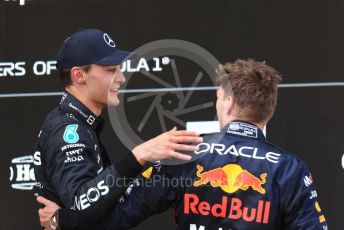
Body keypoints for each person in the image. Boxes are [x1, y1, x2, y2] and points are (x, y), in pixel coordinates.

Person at [38, 59, 328, 230]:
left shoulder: (185, 153)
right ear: (269, 109)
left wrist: (60, 220)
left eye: (216, 98)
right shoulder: (289, 169)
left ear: (227, 102)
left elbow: (117, 215)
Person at [34, 28, 203, 229]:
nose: (121, 78)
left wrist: (60, 220)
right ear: (79, 75)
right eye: (111, 70)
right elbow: (84, 204)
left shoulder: (79, 123)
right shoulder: (67, 131)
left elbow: (96, 210)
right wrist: (140, 154)